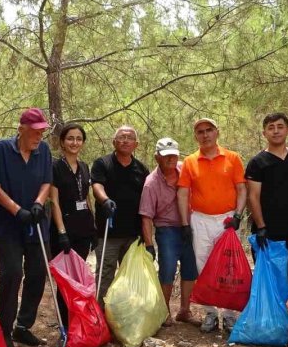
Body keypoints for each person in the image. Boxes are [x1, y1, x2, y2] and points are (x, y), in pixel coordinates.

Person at [0, 107, 53, 347]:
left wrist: (38, 203)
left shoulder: (43, 151)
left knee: (37, 272)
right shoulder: (2, 150)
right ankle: (4, 327)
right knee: (12, 273)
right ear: (22, 129)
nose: (38, 137)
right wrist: (17, 210)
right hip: (10, 224)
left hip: (36, 222)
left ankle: (23, 326)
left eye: (41, 132)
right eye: (35, 132)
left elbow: (47, 180)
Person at [177, 118, 246, 333]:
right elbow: (183, 192)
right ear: (195, 136)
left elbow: (242, 189)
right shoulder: (190, 161)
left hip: (227, 219)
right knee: (203, 264)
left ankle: (228, 314)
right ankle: (209, 312)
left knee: (228, 266)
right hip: (200, 219)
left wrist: (237, 216)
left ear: (217, 132)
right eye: (200, 132)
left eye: (209, 130)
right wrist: (184, 223)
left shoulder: (232, 158)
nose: (205, 135)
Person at [245, 112, 288, 291]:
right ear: (264, 133)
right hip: (269, 230)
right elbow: (253, 197)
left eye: (280, 127)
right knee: (270, 278)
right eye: (271, 128)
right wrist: (261, 227)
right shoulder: (257, 162)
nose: (276, 131)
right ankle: (272, 317)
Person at [139, 137, 197, 326]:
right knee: (168, 269)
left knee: (190, 268)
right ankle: (164, 311)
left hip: (188, 226)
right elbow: (146, 216)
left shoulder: (184, 170)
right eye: (166, 157)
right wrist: (149, 244)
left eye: (173, 155)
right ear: (157, 157)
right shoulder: (151, 184)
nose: (171, 160)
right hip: (166, 229)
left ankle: (184, 310)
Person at [90, 125, 150, 302]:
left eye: (129, 137)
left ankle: (125, 314)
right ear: (114, 142)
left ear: (136, 144)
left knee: (130, 276)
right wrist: (105, 200)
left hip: (133, 234)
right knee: (105, 273)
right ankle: (100, 312)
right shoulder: (103, 163)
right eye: (121, 137)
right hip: (107, 232)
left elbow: (147, 199)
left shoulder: (142, 169)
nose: (125, 140)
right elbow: (96, 186)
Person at [49, 123, 96, 327]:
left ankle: (78, 318)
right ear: (62, 142)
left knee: (78, 277)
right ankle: (65, 324)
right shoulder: (55, 167)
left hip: (83, 228)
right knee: (65, 280)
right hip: (64, 230)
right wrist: (61, 232)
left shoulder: (85, 167)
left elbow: (86, 198)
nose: (74, 142)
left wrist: (93, 226)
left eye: (78, 139)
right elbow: (54, 202)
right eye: (70, 138)